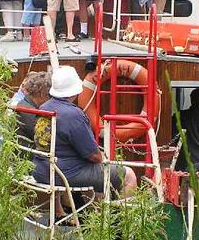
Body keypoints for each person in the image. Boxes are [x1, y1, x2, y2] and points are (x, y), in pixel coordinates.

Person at [32, 66, 137, 196]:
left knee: (97, 173)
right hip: (64, 174)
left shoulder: (44, 107)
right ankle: (123, 216)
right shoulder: (73, 115)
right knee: (128, 175)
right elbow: (94, 156)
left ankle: (91, 213)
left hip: (41, 170)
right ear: (75, 91)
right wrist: (103, 156)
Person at [15, 71, 52, 142]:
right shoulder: (31, 114)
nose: (50, 99)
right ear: (42, 93)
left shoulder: (23, 103)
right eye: (48, 95)